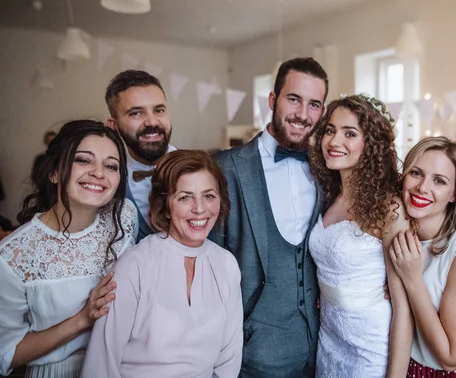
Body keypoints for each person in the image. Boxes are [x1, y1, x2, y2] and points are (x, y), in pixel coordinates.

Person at [208, 57, 328, 378]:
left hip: (321, 346)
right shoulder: (225, 168)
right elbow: (207, 264)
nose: (303, 115)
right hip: (252, 349)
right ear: (273, 100)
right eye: (294, 99)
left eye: (314, 104)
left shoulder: (328, 170)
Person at [82, 150, 243, 378]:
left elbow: (229, 359)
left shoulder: (226, 265)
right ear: (165, 205)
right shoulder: (134, 265)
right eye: (185, 197)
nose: (200, 208)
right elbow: (101, 365)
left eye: (209, 196)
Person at [0, 120, 138, 377]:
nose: (99, 172)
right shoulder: (13, 257)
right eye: (83, 160)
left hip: (126, 364)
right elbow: (6, 354)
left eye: (111, 165)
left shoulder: (126, 217)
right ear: (54, 172)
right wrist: (81, 320)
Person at [308, 94, 413, 377]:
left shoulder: (388, 207)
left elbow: (403, 306)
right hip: (329, 337)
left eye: (349, 133)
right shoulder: (328, 193)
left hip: (371, 344)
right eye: (330, 130)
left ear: (371, 145)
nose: (334, 141)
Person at [387, 136, 456, 377]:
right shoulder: (404, 237)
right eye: (416, 173)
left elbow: (451, 358)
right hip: (410, 366)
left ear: (453, 194)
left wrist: (412, 280)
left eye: (439, 181)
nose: (422, 187)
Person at [105, 69, 175, 242]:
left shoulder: (204, 171)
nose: (152, 121)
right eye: (136, 113)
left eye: (159, 110)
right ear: (114, 125)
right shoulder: (107, 182)